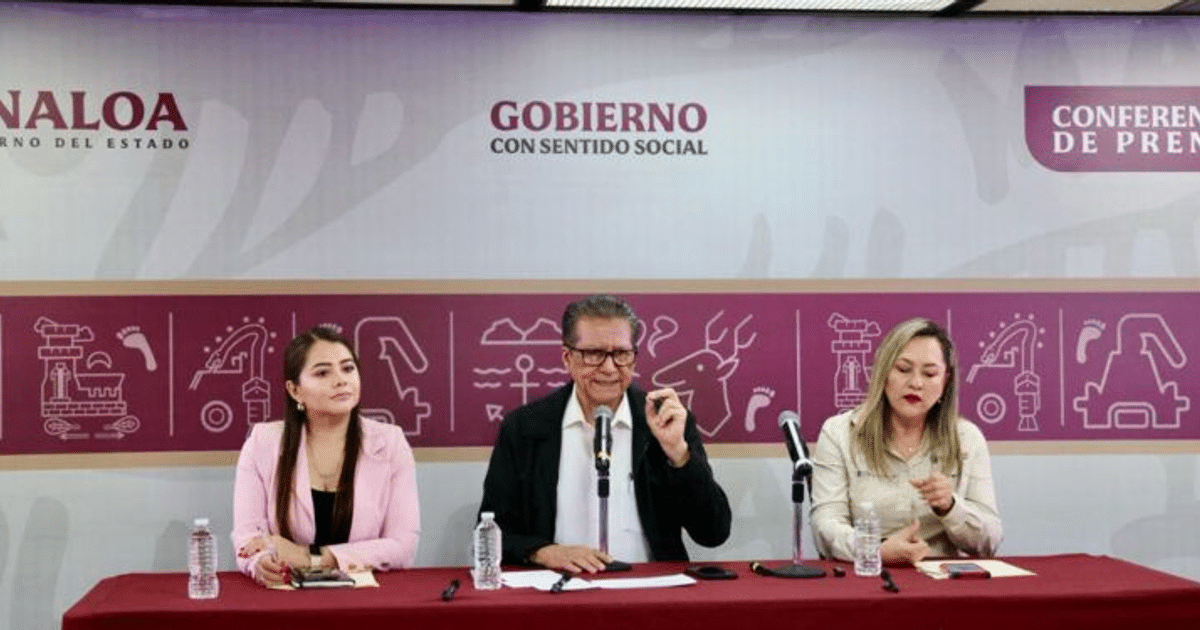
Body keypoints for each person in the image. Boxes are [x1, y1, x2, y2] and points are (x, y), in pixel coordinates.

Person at [478, 294, 732, 573]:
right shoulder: (524, 428)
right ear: (567, 358)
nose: (610, 368)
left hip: (649, 588)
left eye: (621, 354)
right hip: (559, 587)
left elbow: (713, 532)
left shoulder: (664, 422)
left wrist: (679, 455)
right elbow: (493, 530)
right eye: (594, 354)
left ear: (634, 359)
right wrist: (544, 552)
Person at [231, 326, 420, 585]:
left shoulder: (390, 443)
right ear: (295, 390)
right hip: (287, 593)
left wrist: (312, 558)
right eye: (322, 372)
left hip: (366, 596)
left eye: (348, 368)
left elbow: (402, 547)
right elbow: (247, 539)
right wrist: (261, 562)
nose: (341, 380)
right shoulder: (263, 443)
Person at [811, 317, 1002, 565]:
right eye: (903, 369)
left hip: (941, 579)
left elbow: (989, 542)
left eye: (930, 373)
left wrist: (951, 507)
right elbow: (825, 526)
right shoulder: (840, 433)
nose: (915, 383)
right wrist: (875, 550)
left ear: (946, 380)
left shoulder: (967, 438)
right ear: (884, 373)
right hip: (868, 574)